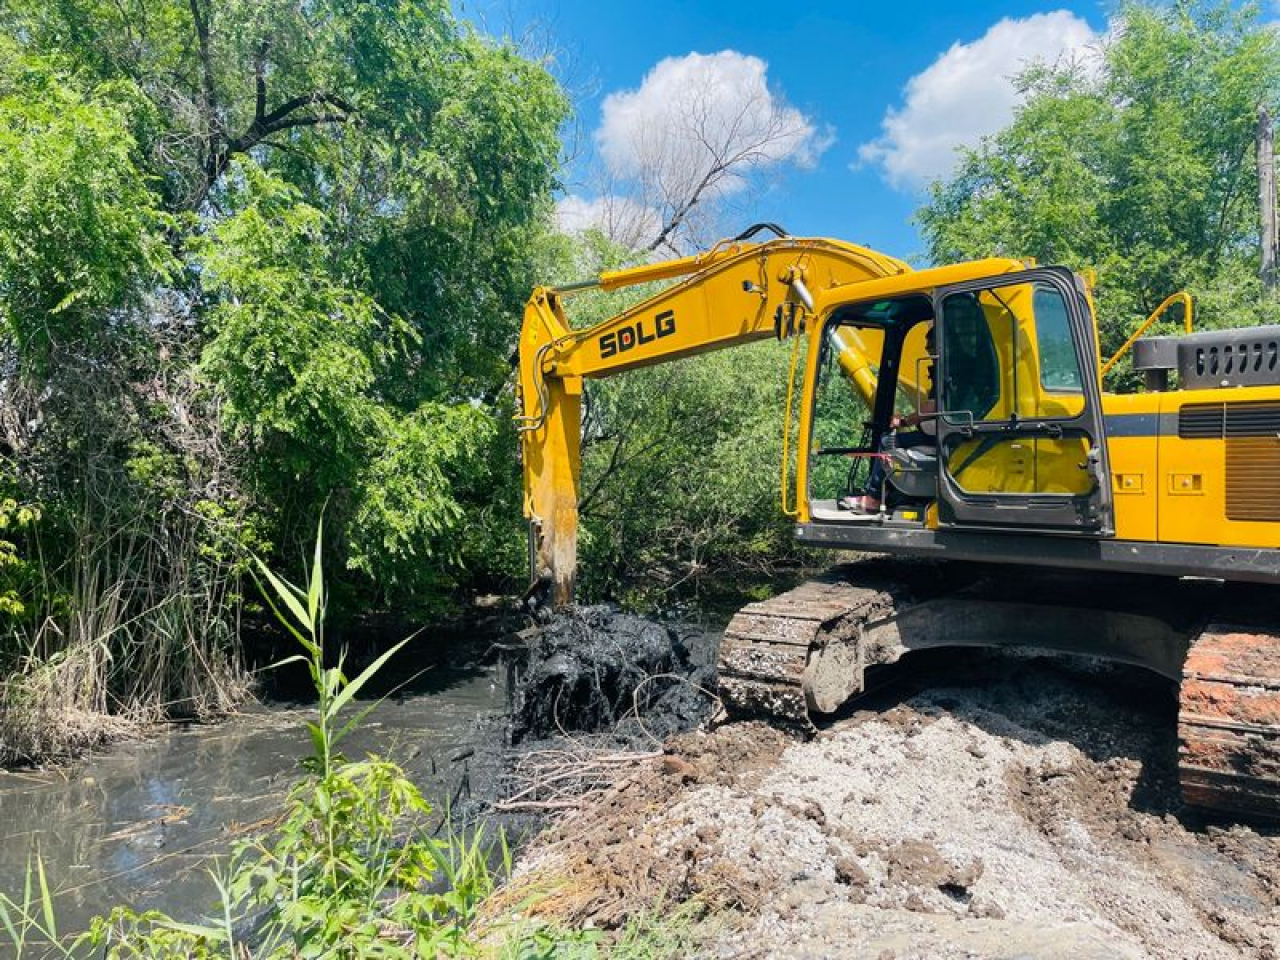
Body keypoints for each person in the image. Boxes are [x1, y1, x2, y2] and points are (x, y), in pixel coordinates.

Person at [842, 324, 936, 515]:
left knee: (886, 441)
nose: (927, 349)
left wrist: (903, 421)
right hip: (944, 434)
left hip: (936, 438)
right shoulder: (959, 371)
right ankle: (891, 493)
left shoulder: (945, 370)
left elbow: (931, 409)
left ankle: (873, 497)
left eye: (930, 346)